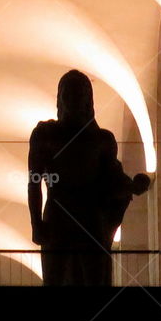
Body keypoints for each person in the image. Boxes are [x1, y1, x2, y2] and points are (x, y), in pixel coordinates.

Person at [27, 69, 150, 285]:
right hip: (59, 214)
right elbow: (34, 182)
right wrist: (36, 223)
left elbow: (112, 178)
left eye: (80, 94)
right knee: (56, 279)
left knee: (95, 279)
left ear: (88, 100)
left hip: (90, 217)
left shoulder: (102, 140)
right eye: (70, 94)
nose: (75, 99)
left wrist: (132, 186)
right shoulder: (45, 134)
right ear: (60, 98)